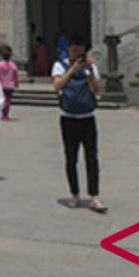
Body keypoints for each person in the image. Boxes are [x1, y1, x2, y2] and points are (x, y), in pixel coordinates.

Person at [52, 37, 106, 211]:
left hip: (87, 117)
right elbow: (57, 85)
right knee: (71, 157)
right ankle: (74, 194)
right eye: (75, 51)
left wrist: (88, 71)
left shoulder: (90, 67)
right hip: (68, 118)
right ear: (69, 49)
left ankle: (94, 196)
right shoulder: (60, 65)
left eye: (80, 51)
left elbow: (96, 90)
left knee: (92, 157)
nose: (78, 54)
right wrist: (73, 69)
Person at [0, 47, 20, 120]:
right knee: (8, 100)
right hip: (10, 85)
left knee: (2, 100)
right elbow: (16, 74)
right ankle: (6, 114)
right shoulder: (12, 65)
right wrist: (16, 83)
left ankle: (4, 114)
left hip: (1, 85)